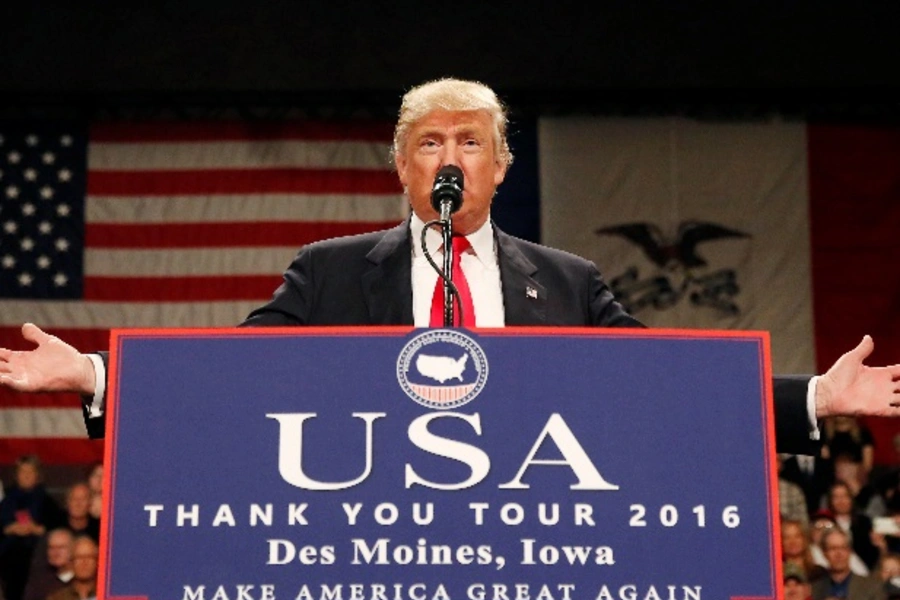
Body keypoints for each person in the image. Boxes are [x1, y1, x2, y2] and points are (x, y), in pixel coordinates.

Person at [0, 78, 899, 453]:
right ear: (401, 167)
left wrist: (815, 396)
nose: (449, 157)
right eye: (428, 143)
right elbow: (234, 378)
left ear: (501, 166)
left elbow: (662, 385)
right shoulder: (331, 272)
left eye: (471, 141)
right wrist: (93, 373)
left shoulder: (573, 282)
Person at [0, 455, 62, 600]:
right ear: (16, 475)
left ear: (38, 475)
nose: (26, 476)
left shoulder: (48, 502)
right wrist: (9, 529)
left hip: (40, 561)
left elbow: (58, 530)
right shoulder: (6, 501)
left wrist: (38, 530)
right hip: (8, 564)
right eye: (22, 471)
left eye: (30, 472)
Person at [812, 528, 886, 599]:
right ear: (824, 553)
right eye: (833, 548)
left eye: (843, 548)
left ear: (849, 551)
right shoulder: (815, 589)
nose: (839, 554)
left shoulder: (871, 586)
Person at [21, 528, 74, 600]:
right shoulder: (39, 582)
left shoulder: (82, 579)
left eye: (61, 548)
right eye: (51, 548)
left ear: (74, 549)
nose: (55, 553)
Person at [46, 536, 97, 600]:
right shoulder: (57, 598)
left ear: (97, 562)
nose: (84, 562)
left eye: (89, 557)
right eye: (79, 558)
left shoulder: (107, 595)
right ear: (71, 563)